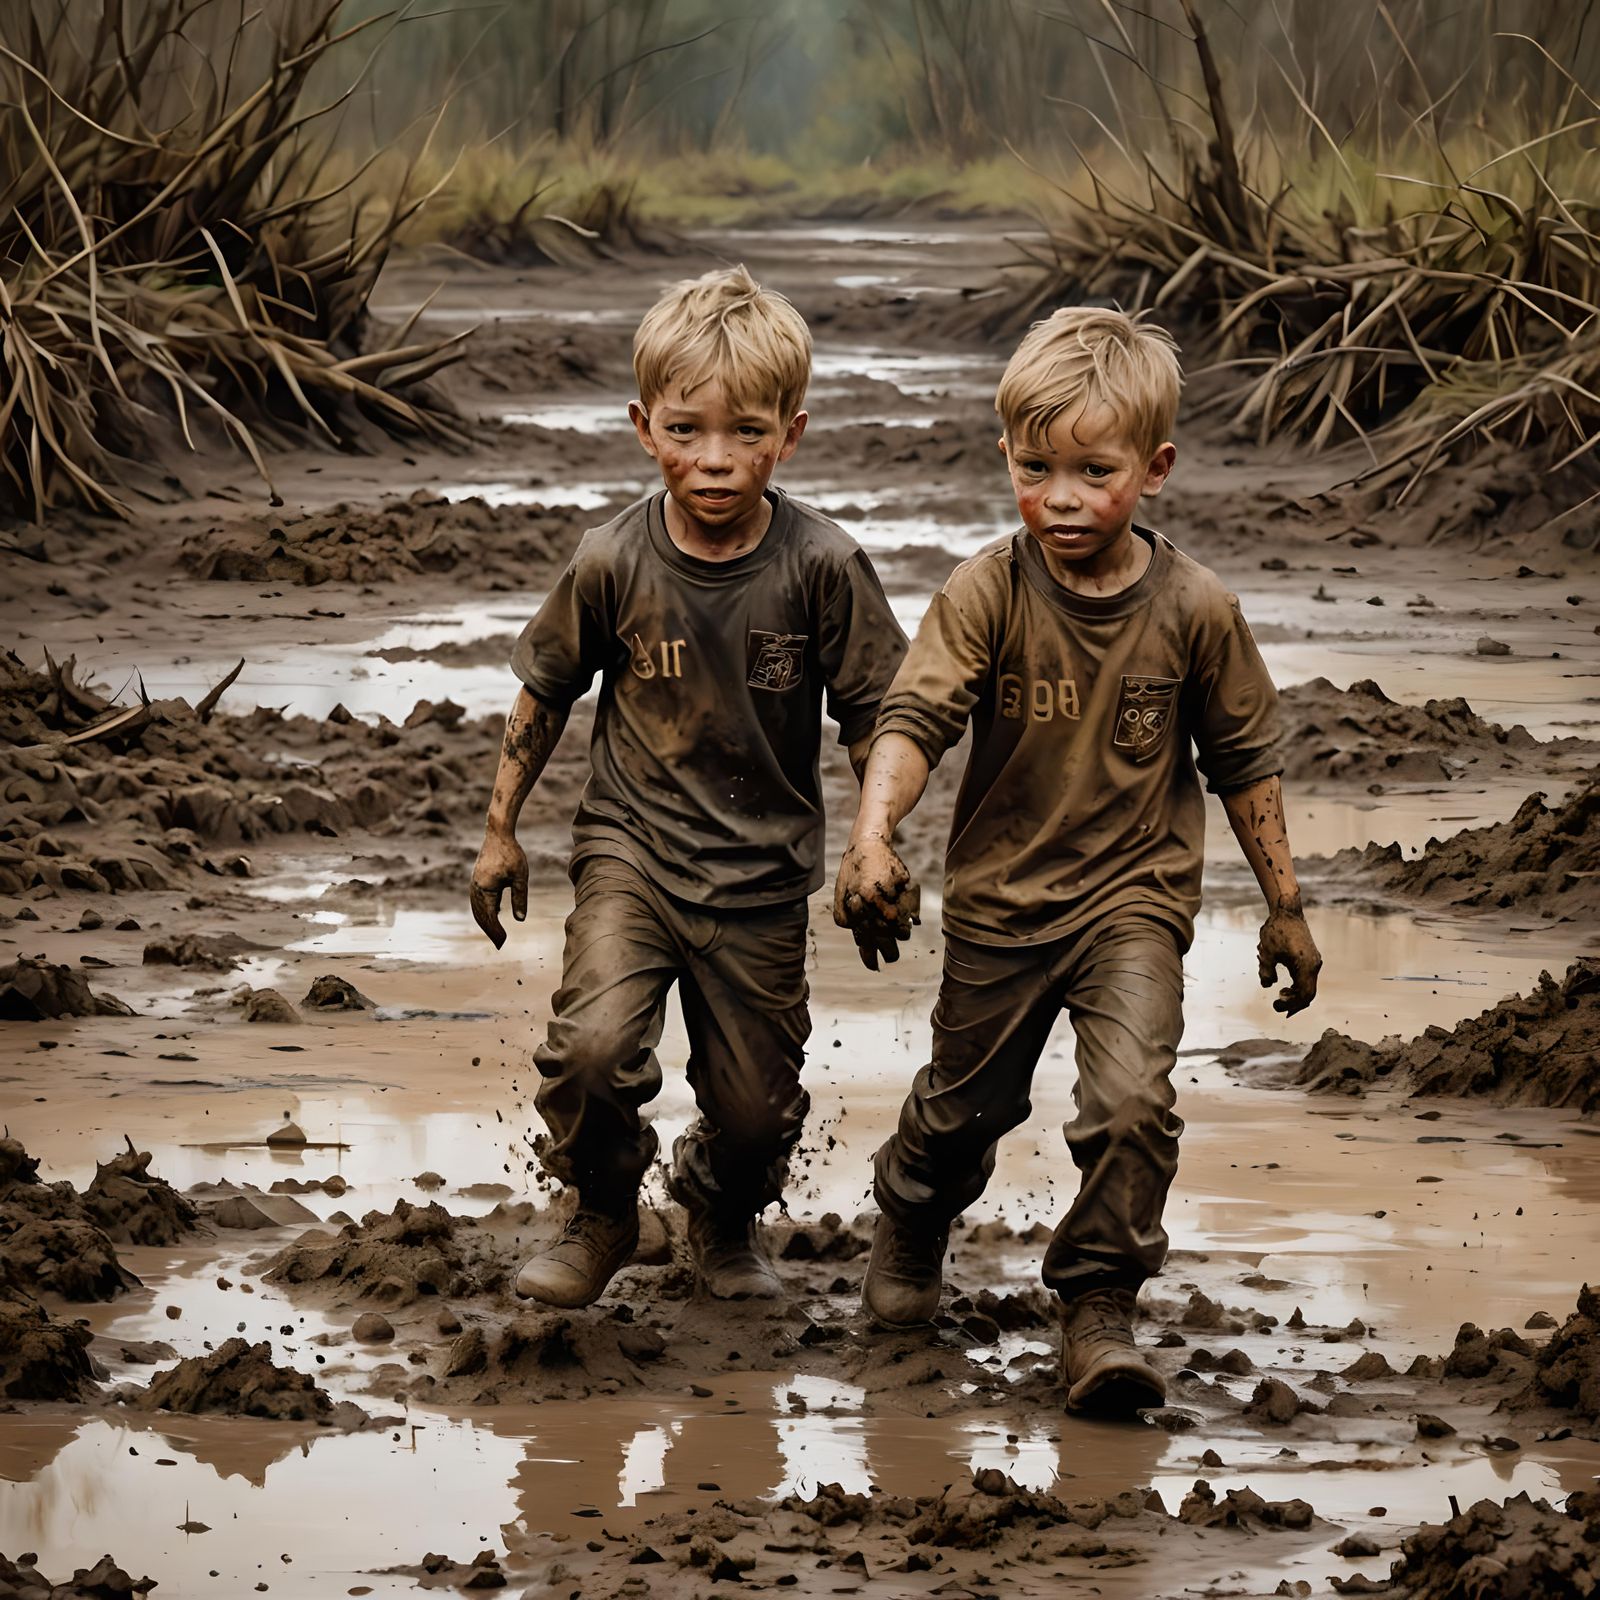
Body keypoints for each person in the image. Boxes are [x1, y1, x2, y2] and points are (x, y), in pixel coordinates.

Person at [833, 306, 1322, 1414]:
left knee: (1133, 1103)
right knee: (962, 1114)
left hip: (1133, 904)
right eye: (1035, 468)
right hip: (1000, 905)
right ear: (1006, 454)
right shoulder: (986, 592)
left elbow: (1245, 762)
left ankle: (1099, 1305)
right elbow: (914, 722)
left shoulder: (1196, 609)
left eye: (1093, 472)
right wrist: (872, 838)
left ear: (1154, 469)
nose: (1060, 497)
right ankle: (912, 1216)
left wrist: (1286, 905)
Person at [471, 265, 907, 1308]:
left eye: (745, 433)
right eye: (685, 431)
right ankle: (603, 1210)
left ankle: (717, 1211)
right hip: (633, 850)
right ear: (643, 428)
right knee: (590, 1051)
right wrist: (499, 830)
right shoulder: (610, 560)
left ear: (789, 436)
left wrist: (874, 842)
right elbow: (545, 691)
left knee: (757, 1112)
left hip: (763, 874)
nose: (714, 459)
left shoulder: (823, 566)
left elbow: (880, 718)